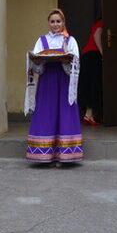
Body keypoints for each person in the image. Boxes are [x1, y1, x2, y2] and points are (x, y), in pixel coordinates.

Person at [24, 9, 83, 166]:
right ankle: (46, 155)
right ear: (48, 23)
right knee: (46, 112)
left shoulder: (70, 41)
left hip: (64, 80)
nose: (55, 24)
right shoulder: (41, 40)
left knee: (64, 113)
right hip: (47, 81)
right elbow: (35, 64)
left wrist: (66, 61)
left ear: (63, 23)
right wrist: (36, 63)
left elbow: (76, 63)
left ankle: (64, 156)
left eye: (58, 21)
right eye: (52, 21)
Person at [78, 17, 104, 126]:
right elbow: (96, 35)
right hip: (93, 55)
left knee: (89, 83)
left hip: (86, 55)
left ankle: (89, 115)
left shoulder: (97, 23)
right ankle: (89, 115)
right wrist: (103, 53)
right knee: (93, 84)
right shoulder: (102, 22)